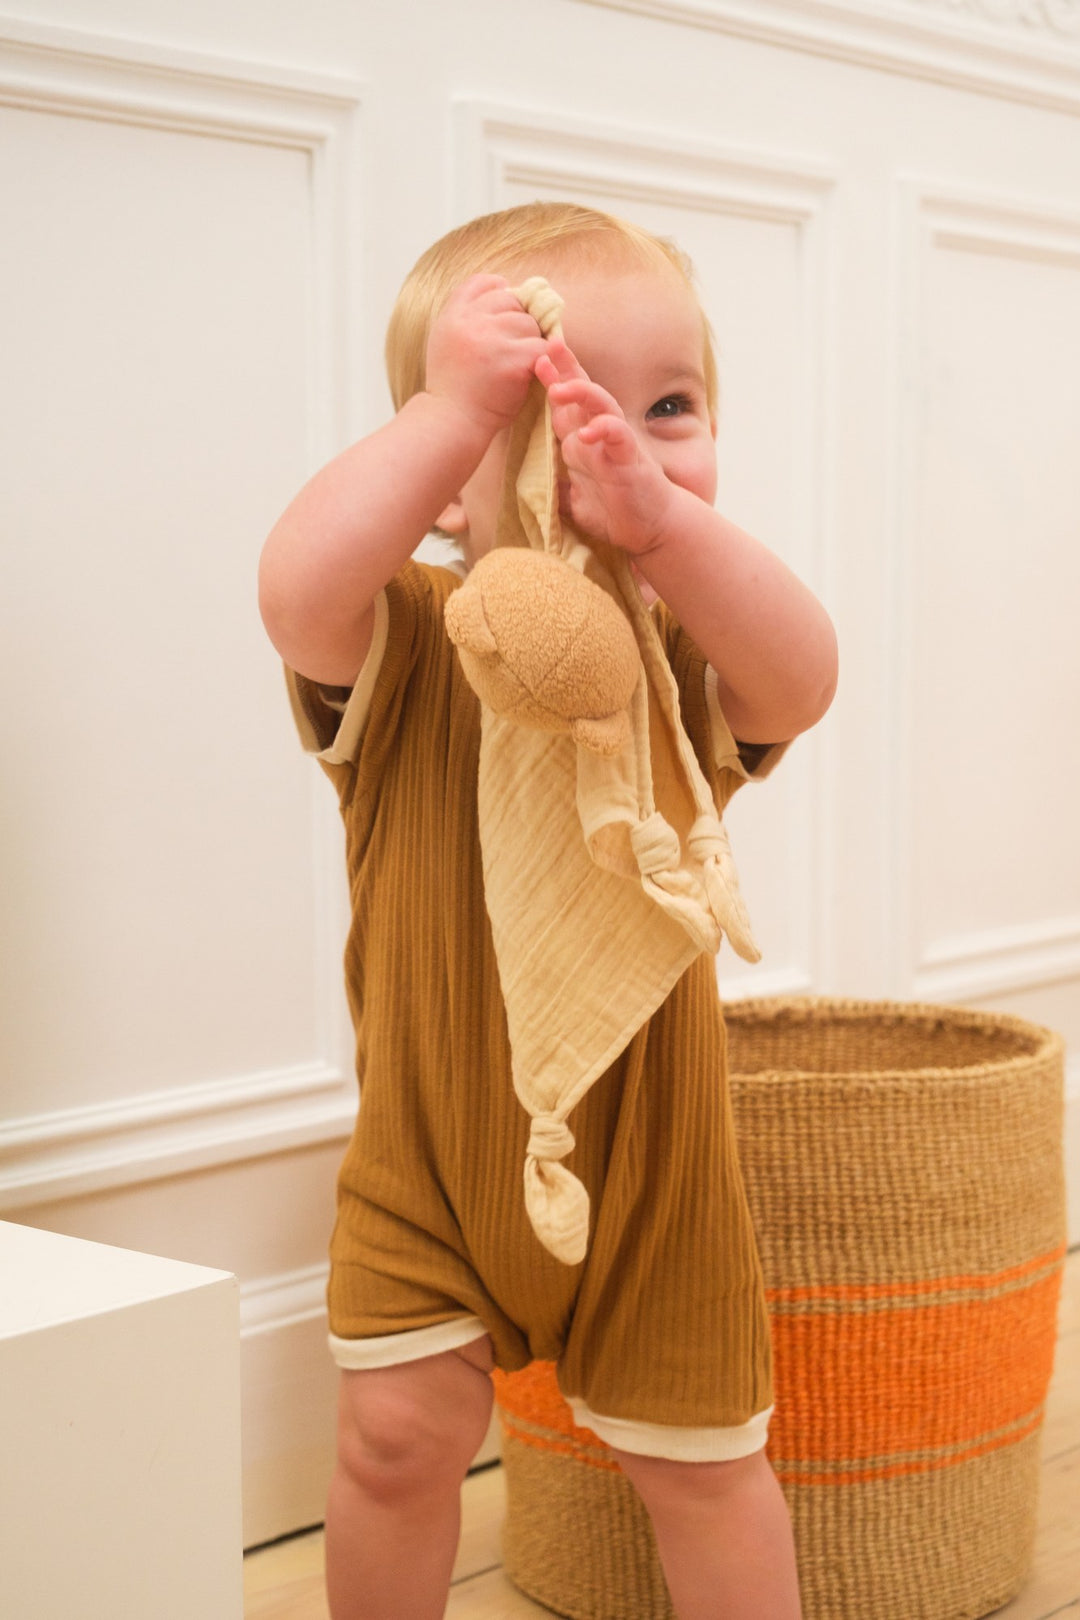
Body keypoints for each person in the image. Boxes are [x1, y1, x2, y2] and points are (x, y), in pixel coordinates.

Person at [259, 201, 837, 1620]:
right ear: (447, 474)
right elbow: (293, 592)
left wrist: (667, 533)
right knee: (394, 1442)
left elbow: (802, 679)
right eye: (545, 415)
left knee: (707, 1471)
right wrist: (450, 416)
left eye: (673, 407)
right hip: (429, 1155)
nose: (618, 438)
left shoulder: (677, 655)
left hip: (657, 1175)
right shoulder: (396, 636)